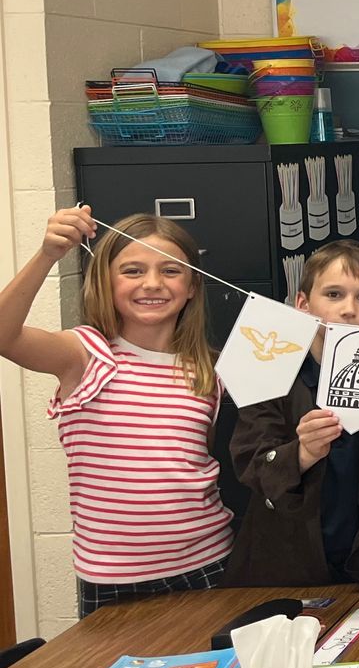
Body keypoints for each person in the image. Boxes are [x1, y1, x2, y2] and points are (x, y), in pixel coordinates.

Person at [0, 207, 228, 616]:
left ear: (193, 285)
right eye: (133, 271)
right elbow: (4, 335)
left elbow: (196, 461)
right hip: (112, 580)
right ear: (106, 280)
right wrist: (47, 255)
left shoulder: (208, 369)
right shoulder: (86, 354)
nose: (153, 283)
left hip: (207, 565)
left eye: (171, 271)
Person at [226, 242, 359, 587]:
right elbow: (250, 464)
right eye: (333, 294)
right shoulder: (272, 371)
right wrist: (303, 453)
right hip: (285, 561)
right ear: (303, 304)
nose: (348, 309)